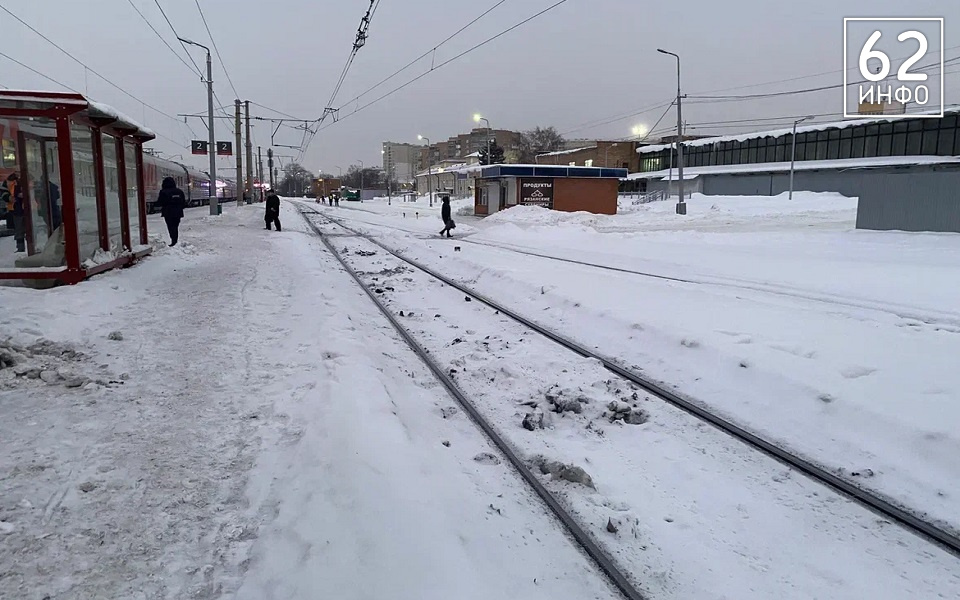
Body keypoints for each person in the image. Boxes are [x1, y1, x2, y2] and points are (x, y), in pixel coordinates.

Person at [154, 176, 186, 246]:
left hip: (168, 212)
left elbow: (160, 202)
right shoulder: (179, 191)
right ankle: (175, 240)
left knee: (170, 227)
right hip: (178, 213)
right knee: (175, 226)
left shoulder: (163, 192)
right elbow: (183, 202)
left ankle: (173, 240)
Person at [1, 173, 25, 252]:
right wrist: (8, 198)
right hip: (16, 208)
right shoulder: (8, 181)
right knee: (19, 229)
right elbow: (3, 192)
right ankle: (20, 248)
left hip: (28, 208)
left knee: (27, 228)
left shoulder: (28, 177)